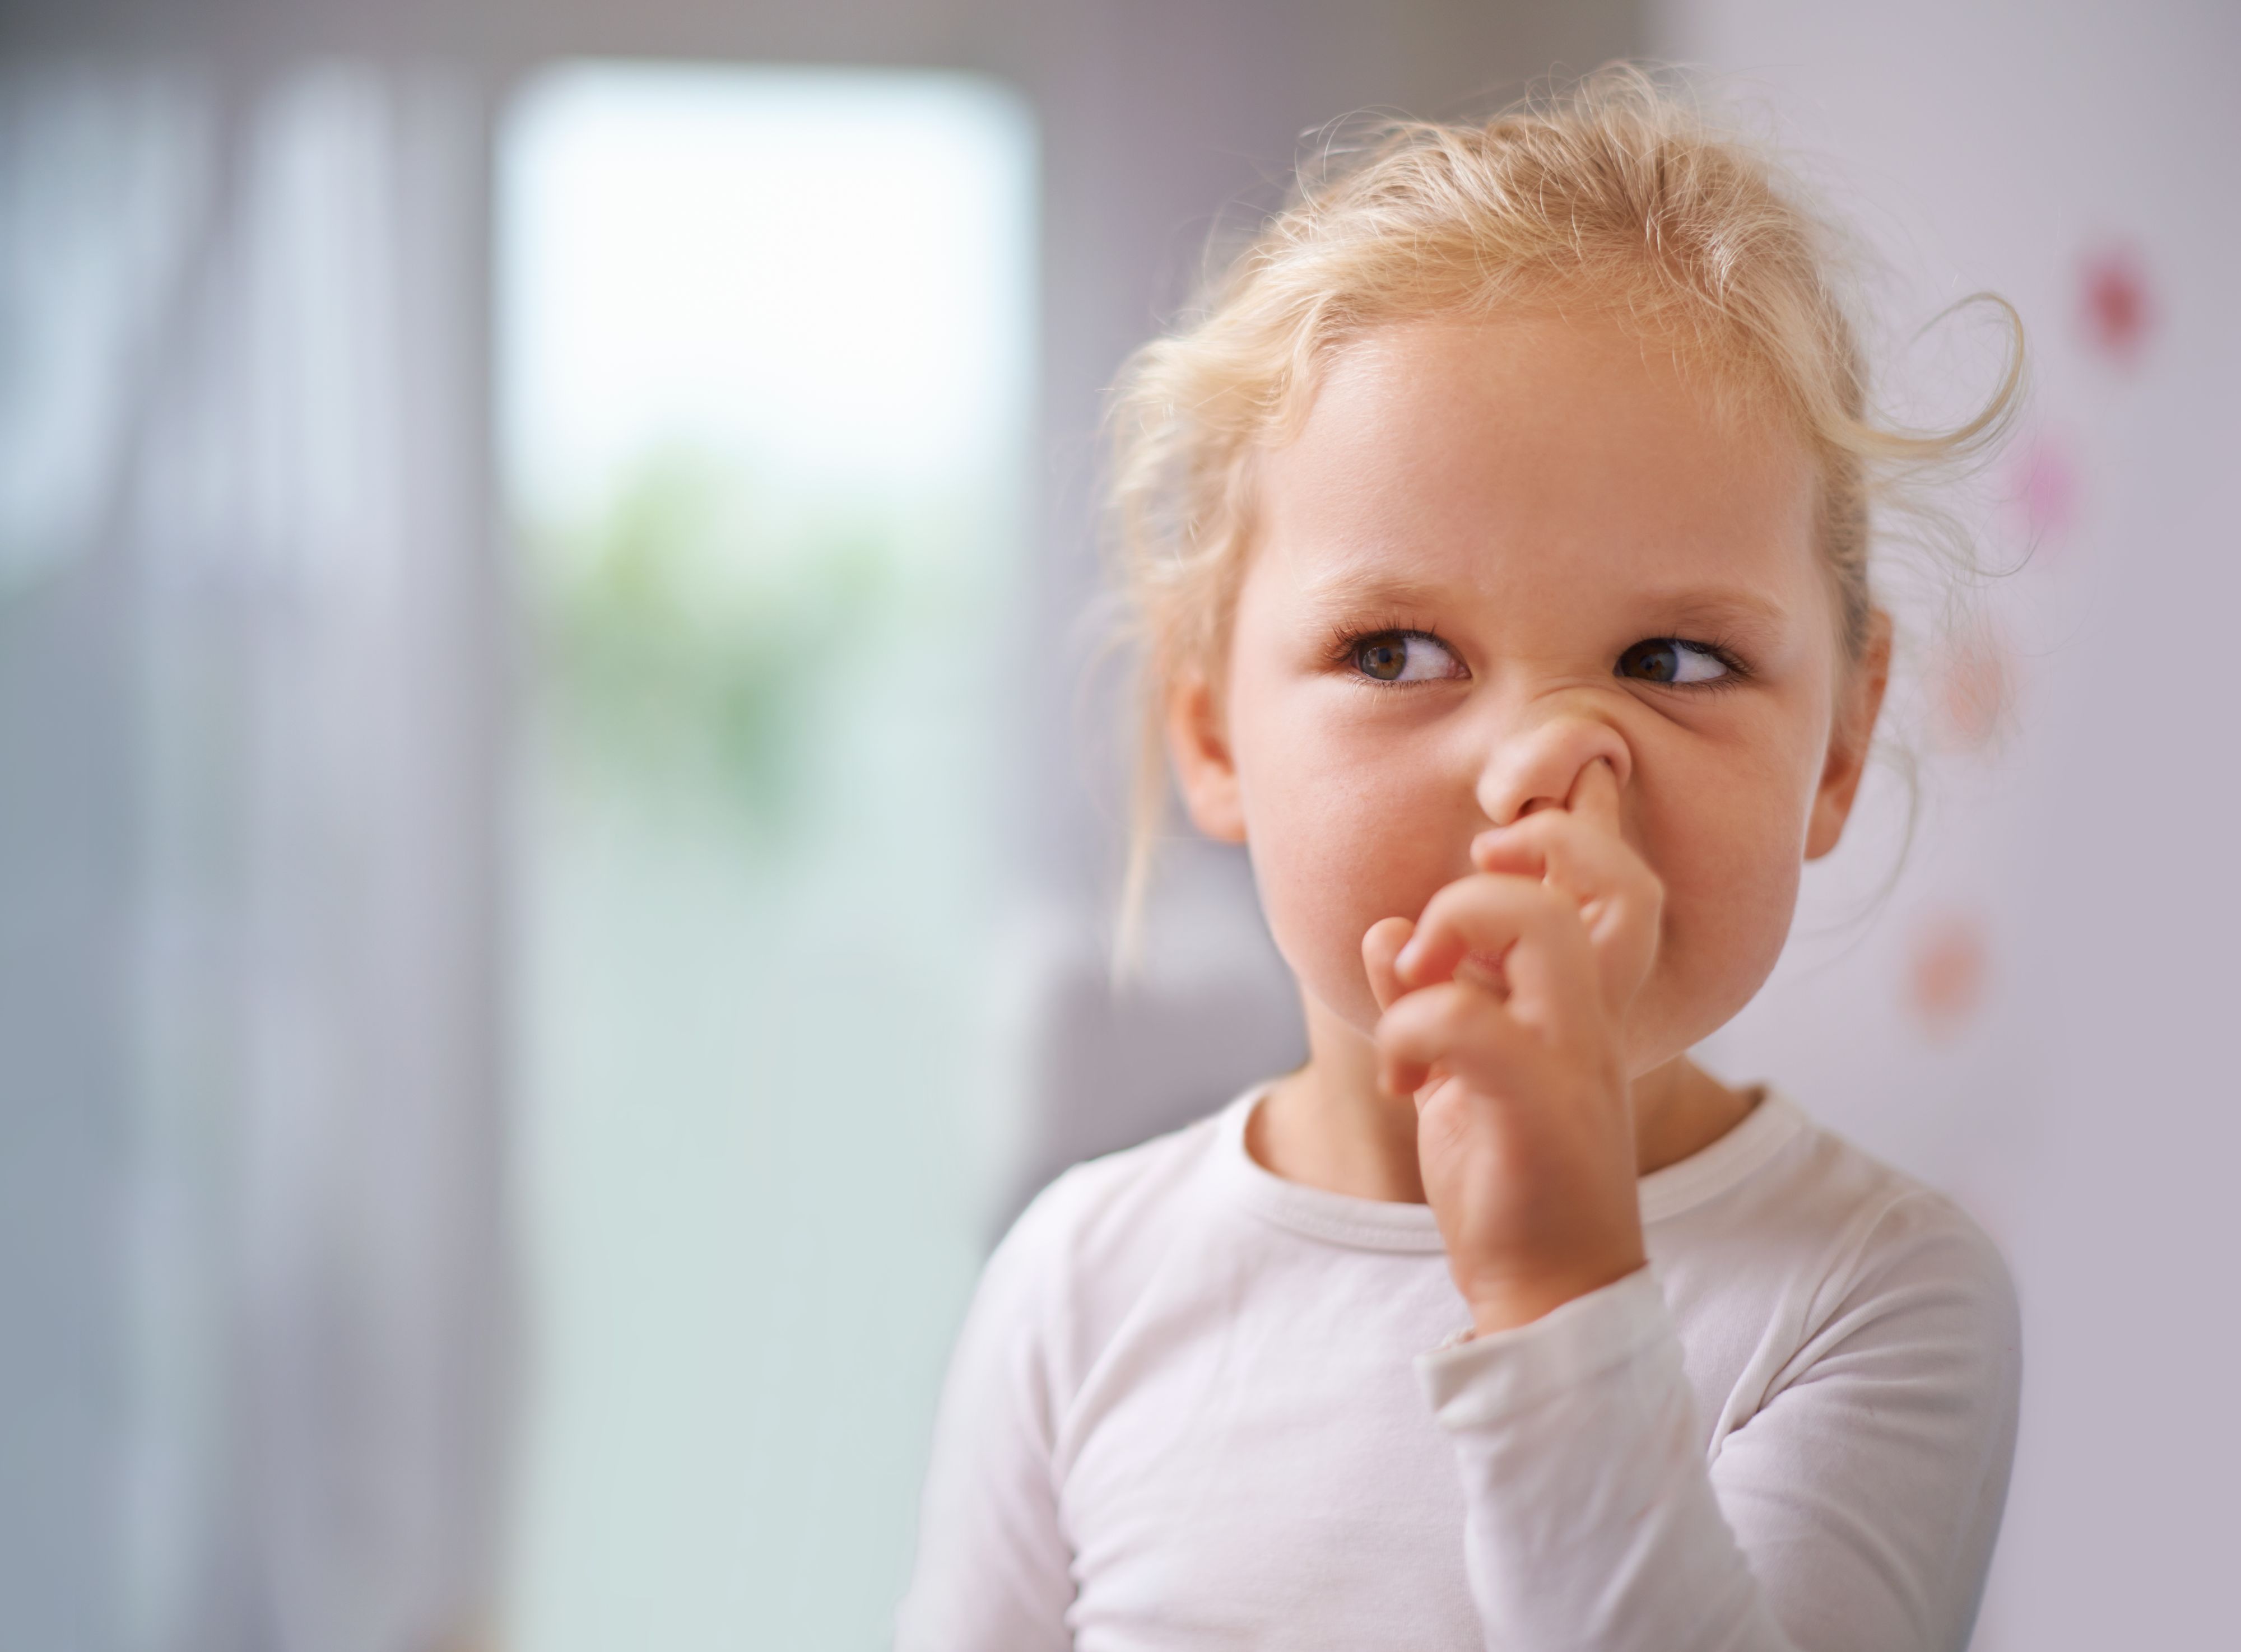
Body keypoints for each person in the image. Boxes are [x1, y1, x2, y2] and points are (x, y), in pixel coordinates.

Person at [896, 69, 2023, 1652]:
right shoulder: (1080, 1285)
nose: (1538, 765)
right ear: (1213, 731)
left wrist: (1563, 1295)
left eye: (1677, 660)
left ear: (1836, 746)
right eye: (1400, 648)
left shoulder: (1874, 1292)